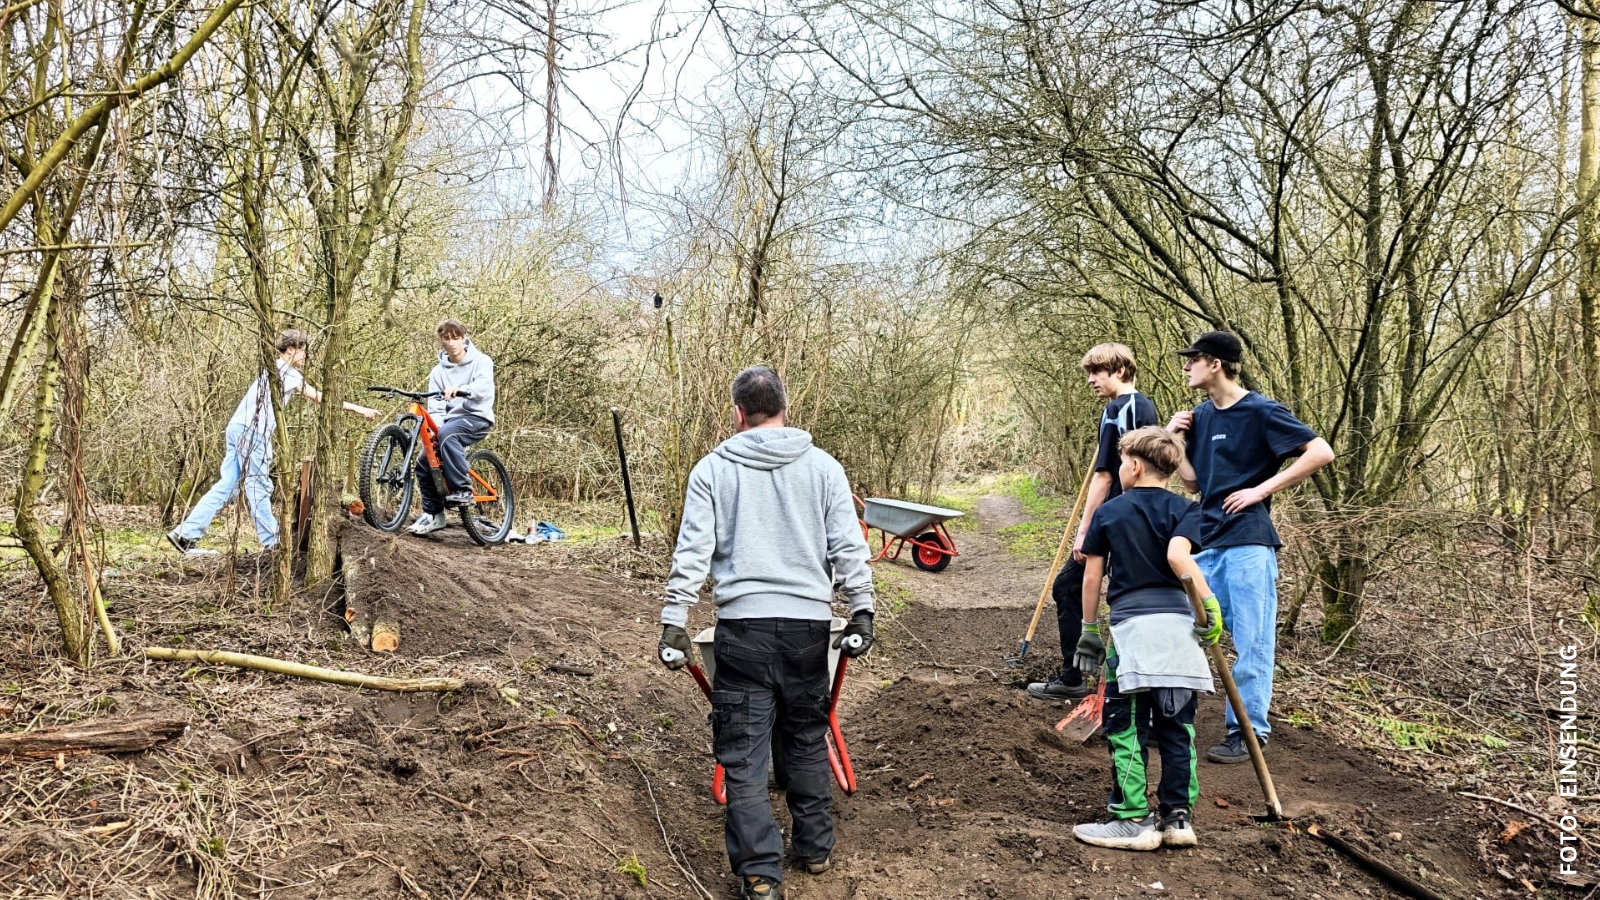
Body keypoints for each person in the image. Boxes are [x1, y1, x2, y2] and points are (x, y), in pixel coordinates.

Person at [656, 366, 875, 900]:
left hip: (742, 630)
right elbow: (848, 545)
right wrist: (862, 608)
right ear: (785, 406)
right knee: (804, 734)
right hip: (807, 628)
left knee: (744, 755)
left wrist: (674, 619)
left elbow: (693, 552)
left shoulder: (712, 470)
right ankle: (815, 847)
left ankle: (760, 875)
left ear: (737, 413)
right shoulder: (823, 467)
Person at [1166, 330, 1334, 764]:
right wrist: (1175, 439)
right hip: (1203, 539)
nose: (1186, 367)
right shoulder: (1200, 417)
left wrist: (1261, 489)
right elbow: (1193, 483)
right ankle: (1168, 719)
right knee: (1182, 626)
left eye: (1193, 359)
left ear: (1216, 364)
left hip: (1248, 541)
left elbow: (1321, 452)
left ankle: (1246, 731)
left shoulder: (1261, 410)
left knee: (1251, 640)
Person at [1070, 426, 1221, 851]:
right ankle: (1177, 819)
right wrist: (1209, 606)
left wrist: (1089, 630)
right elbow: (1180, 558)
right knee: (1178, 728)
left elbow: (1093, 576)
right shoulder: (1187, 509)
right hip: (1179, 635)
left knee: (1127, 727)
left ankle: (1132, 819)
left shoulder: (1110, 513)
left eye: (1122, 462)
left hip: (1134, 635)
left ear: (1134, 466)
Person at [167, 328, 377, 555]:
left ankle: (185, 535)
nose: (305, 356)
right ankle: (272, 542)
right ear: (289, 350)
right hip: (252, 433)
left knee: (227, 486)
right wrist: (357, 408)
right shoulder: (286, 371)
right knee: (258, 487)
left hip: (237, 428)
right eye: (302, 350)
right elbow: (319, 397)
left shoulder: (272, 369)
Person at [1028, 343, 1159, 702]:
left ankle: (1106, 684)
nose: (1090, 380)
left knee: (1082, 589)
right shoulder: (1131, 407)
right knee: (1088, 590)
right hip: (1132, 517)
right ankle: (1091, 678)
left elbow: (1105, 476)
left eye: (1096, 372)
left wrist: (1085, 530)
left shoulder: (1124, 408)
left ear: (1120, 371)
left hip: (1121, 519)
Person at [407, 318, 496, 536]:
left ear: (463, 338)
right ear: (441, 341)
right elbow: (436, 407)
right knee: (424, 460)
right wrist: (434, 435)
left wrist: (462, 389)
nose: (451, 342)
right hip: (450, 423)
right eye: (446, 338)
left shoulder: (481, 361)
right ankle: (434, 515)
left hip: (477, 417)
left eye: (455, 337)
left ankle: (463, 490)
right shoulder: (438, 372)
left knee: (448, 436)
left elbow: (484, 388)